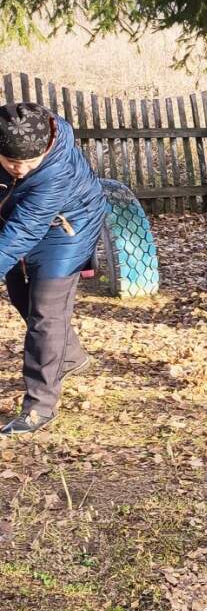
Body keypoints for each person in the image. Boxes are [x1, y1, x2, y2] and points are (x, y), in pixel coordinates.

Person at [0, 102, 109, 436]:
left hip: (68, 228)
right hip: (15, 222)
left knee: (47, 310)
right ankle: (72, 357)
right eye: (11, 162)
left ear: (44, 149)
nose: (20, 169)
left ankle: (39, 405)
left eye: (28, 163)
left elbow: (24, 231)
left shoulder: (56, 168)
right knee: (22, 297)